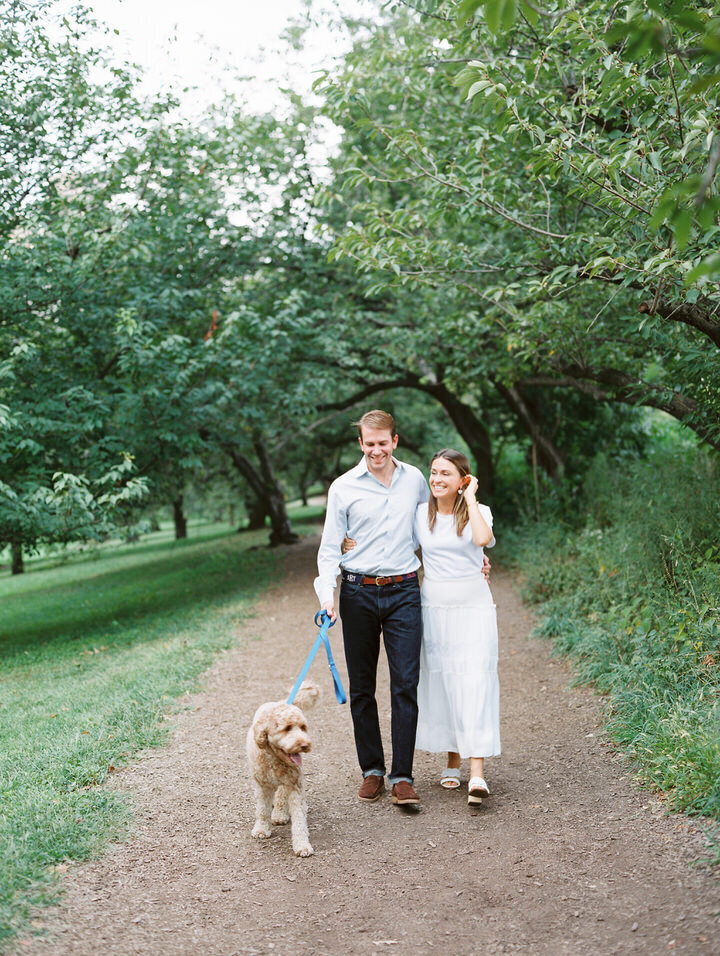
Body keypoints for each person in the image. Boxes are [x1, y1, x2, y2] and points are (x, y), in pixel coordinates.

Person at [314, 409, 429, 806]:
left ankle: (402, 775)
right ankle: (372, 770)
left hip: (404, 592)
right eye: (370, 443)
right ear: (360, 443)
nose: (376, 450)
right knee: (362, 687)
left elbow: (432, 525)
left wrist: (471, 555)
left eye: (383, 443)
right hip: (358, 592)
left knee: (405, 685)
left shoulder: (415, 479)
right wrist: (327, 597)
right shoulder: (343, 487)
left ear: (395, 441)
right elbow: (330, 549)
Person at [413, 448, 500, 806]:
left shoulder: (480, 513)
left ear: (462, 479)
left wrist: (472, 497)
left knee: (476, 680)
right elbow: (395, 548)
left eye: (445, 473)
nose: (436, 479)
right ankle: (452, 758)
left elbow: (482, 540)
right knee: (445, 681)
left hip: (474, 607)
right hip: (434, 608)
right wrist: (348, 543)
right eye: (434, 472)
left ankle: (476, 772)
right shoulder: (420, 515)